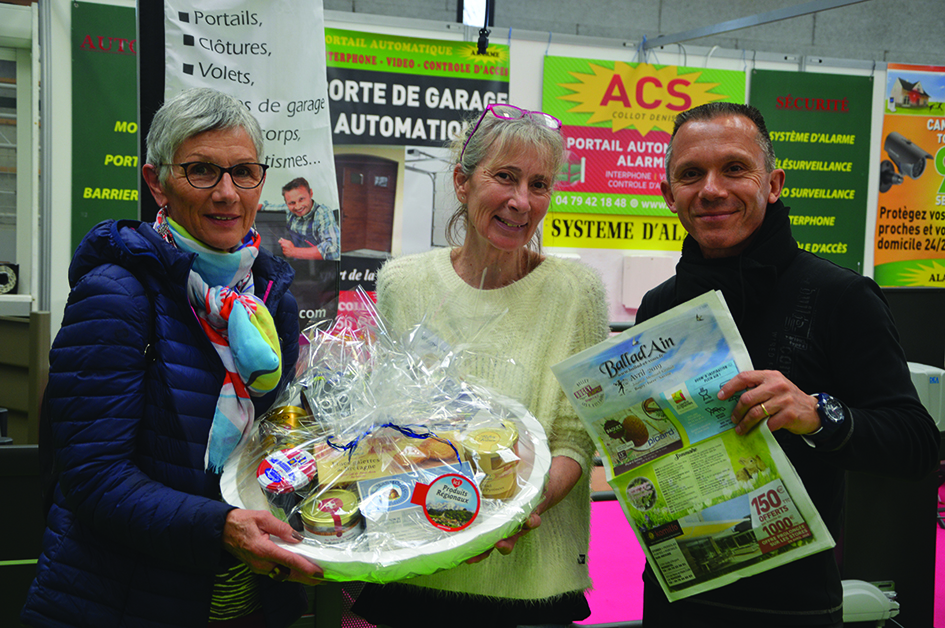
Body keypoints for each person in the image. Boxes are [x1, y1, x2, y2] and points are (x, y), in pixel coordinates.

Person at [21, 88, 323, 628]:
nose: (227, 193)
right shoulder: (117, 295)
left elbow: (271, 444)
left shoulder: (270, 301)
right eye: (201, 170)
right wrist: (220, 527)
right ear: (156, 181)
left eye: (243, 172)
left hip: (250, 600)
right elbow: (94, 478)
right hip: (126, 602)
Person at [636, 102, 941, 627]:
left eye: (735, 168)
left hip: (792, 607)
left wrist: (818, 414)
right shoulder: (659, 306)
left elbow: (916, 445)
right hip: (673, 598)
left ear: (773, 184)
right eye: (691, 174)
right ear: (669, 195)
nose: (711, 189)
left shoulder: (841, 296)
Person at [350, 104, 610, 628]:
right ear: (462, 182)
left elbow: (575, 440)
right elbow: (386, 426)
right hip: (420, 566)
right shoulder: (403, 283)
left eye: (539, 184)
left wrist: (510, 513)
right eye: (506, 177)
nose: (521, 201)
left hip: (529, 579)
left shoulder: (575, 292)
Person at [277, 177, 341, 260]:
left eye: (301, 199)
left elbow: (334, 249)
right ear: (286, 203)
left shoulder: (322, 213)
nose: (298, 207)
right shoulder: (287, 210)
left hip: (313, 265)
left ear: (311, 193)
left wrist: (294, 252)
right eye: (292, 203)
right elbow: (265, 207)